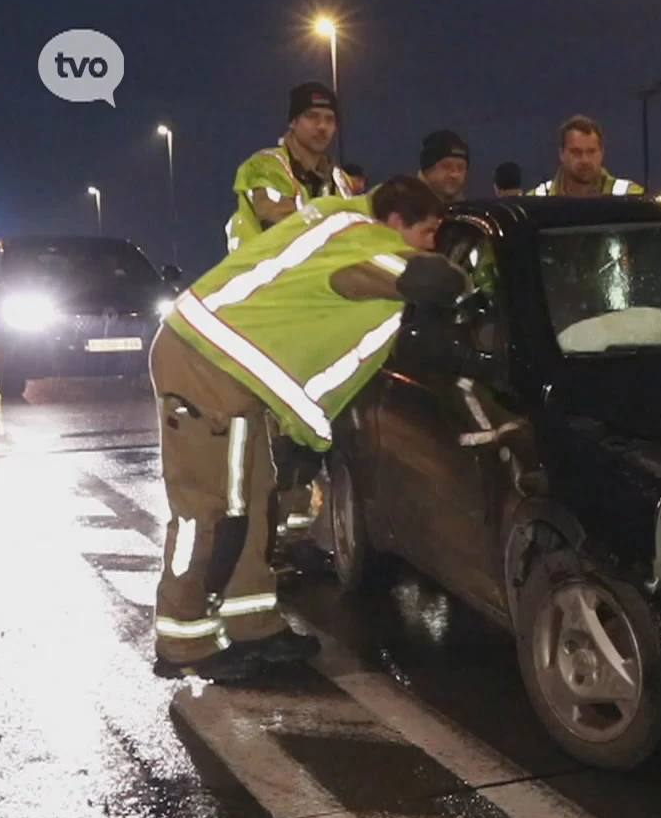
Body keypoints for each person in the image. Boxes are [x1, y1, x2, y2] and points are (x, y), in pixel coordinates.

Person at [151, 177, 468, 683]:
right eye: (428, 232)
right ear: (395, 223)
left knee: (252, 505)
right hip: (208, 369)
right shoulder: (365, 242)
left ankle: (253, 624)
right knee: (210, 514)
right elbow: (419, 278)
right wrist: (460, 278)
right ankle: (184, 640)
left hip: (222, 367)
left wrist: (302, 433)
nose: (432, 242)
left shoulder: (333, 218)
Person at [223, 82, 355, 253]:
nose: (322, 126)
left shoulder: (340, 181)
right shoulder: (267, 165)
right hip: (266, 275)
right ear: (293, 122)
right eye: (312, 116)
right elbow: (285, 231)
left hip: (315, 275)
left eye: (329, 119)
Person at [530, 115, 643, 196]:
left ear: (602, 153)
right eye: (576, 152)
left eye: (591, 152)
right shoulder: (536, 200)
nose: (585, 160)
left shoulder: (631, 196)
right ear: (561, 154)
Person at [419, 130, 470, 203]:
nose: (455, 174)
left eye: (460, 168)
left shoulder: (464, 209)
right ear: (427, 169)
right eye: (446, 166)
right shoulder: (404, 207)